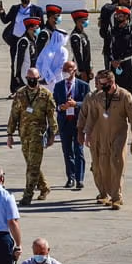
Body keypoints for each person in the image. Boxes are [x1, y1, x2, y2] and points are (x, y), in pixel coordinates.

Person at [76, 68, 132, 209]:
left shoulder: (124, 96)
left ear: (112, 82)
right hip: (101, 135)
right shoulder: (98, 97)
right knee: (101, 166)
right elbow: (92, 116)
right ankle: (103, 193)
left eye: (105, 84)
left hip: (118, 134)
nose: (102, 87)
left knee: (116, 162)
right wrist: (86, 133)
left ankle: (117, 197)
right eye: (100, 84)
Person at [7, 67, 56, 205]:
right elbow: (14, 114)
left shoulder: (46, 95)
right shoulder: (20, 94)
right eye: (29, 79)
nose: (32, 81)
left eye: (34, 79)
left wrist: (53, 133)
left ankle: (27, 195)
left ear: (39, 78)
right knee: (31, 164)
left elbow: (51, 116)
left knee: (32, 166)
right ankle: (44, 187)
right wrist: (9, 134)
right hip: (24, 134)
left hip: (38, 135)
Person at [52, 61, 90, 191]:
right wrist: (60, 107)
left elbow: (88, 104)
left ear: (74, 70)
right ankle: (71, 177)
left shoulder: (83, 86)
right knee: (67, 151)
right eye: (63, 69)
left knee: (78, 151)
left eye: (68, 69)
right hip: (64, 123)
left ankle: (80, 179)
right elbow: (54, 103)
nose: (65, 72)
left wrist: (76, 104)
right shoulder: (58, 86)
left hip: (78, 123)